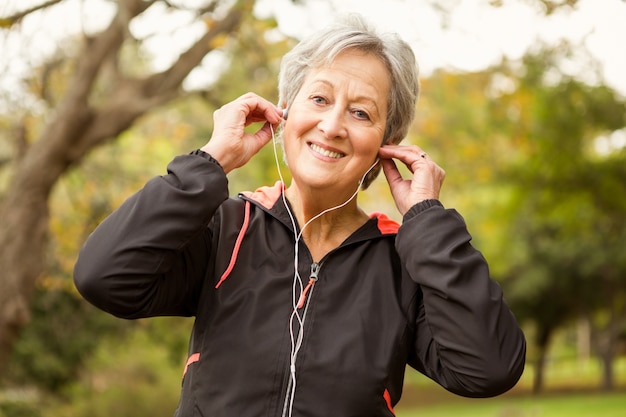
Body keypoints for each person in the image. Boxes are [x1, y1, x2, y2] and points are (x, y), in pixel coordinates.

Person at [74, 13, 526, 417]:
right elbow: (105, 277)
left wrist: (427, 219)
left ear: (385, 144)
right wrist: (211, 162)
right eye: (319, 99)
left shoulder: (403, 264)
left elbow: (488, 369)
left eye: (361, 112)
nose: (332, 126)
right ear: (284, 112)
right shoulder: (226, 229)